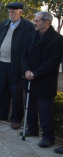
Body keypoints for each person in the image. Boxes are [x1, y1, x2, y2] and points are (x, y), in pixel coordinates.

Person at [20, 11, 63, 148]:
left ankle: (48, 137)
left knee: (45, 111)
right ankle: (32, 129)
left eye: (37, 20)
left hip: (44, 81)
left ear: (47, 22)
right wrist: (26, 70)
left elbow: (52, 61)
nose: (34, 22)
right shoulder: (32, 35)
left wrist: (35, 73)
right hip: (30, 78)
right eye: (35, 19)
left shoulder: (57, 39)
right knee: (31, 107)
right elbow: (24, 54)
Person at [0, 2, 34, 130]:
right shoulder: (4, 24)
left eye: (13, 12)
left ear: (20, 12)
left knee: (16, 93)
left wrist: (26, 67)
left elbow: (29, 48)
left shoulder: (27, 27)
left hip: (16, 66)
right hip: (2, 63)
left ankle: (16, 119)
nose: (11, 14)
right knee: (2, 90)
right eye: (9, 12)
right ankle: (2, 114)